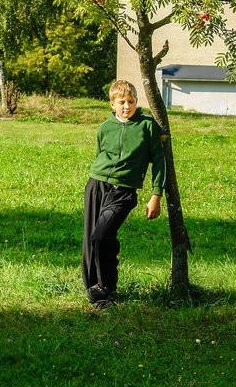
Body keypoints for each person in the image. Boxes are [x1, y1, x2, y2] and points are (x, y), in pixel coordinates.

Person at [82, 79, 166, 310]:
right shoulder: (104, 127)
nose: (127, 106)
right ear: (112, 104)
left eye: (131, 101)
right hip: (96, 185)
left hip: (123, 192)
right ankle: (94, 290)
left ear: (136, 102)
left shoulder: (147, 126)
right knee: (92, 239)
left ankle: (107, 288)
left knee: (102, 235)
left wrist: (156, 194)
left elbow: (159, 161)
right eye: (121, 102)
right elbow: (100, 154)